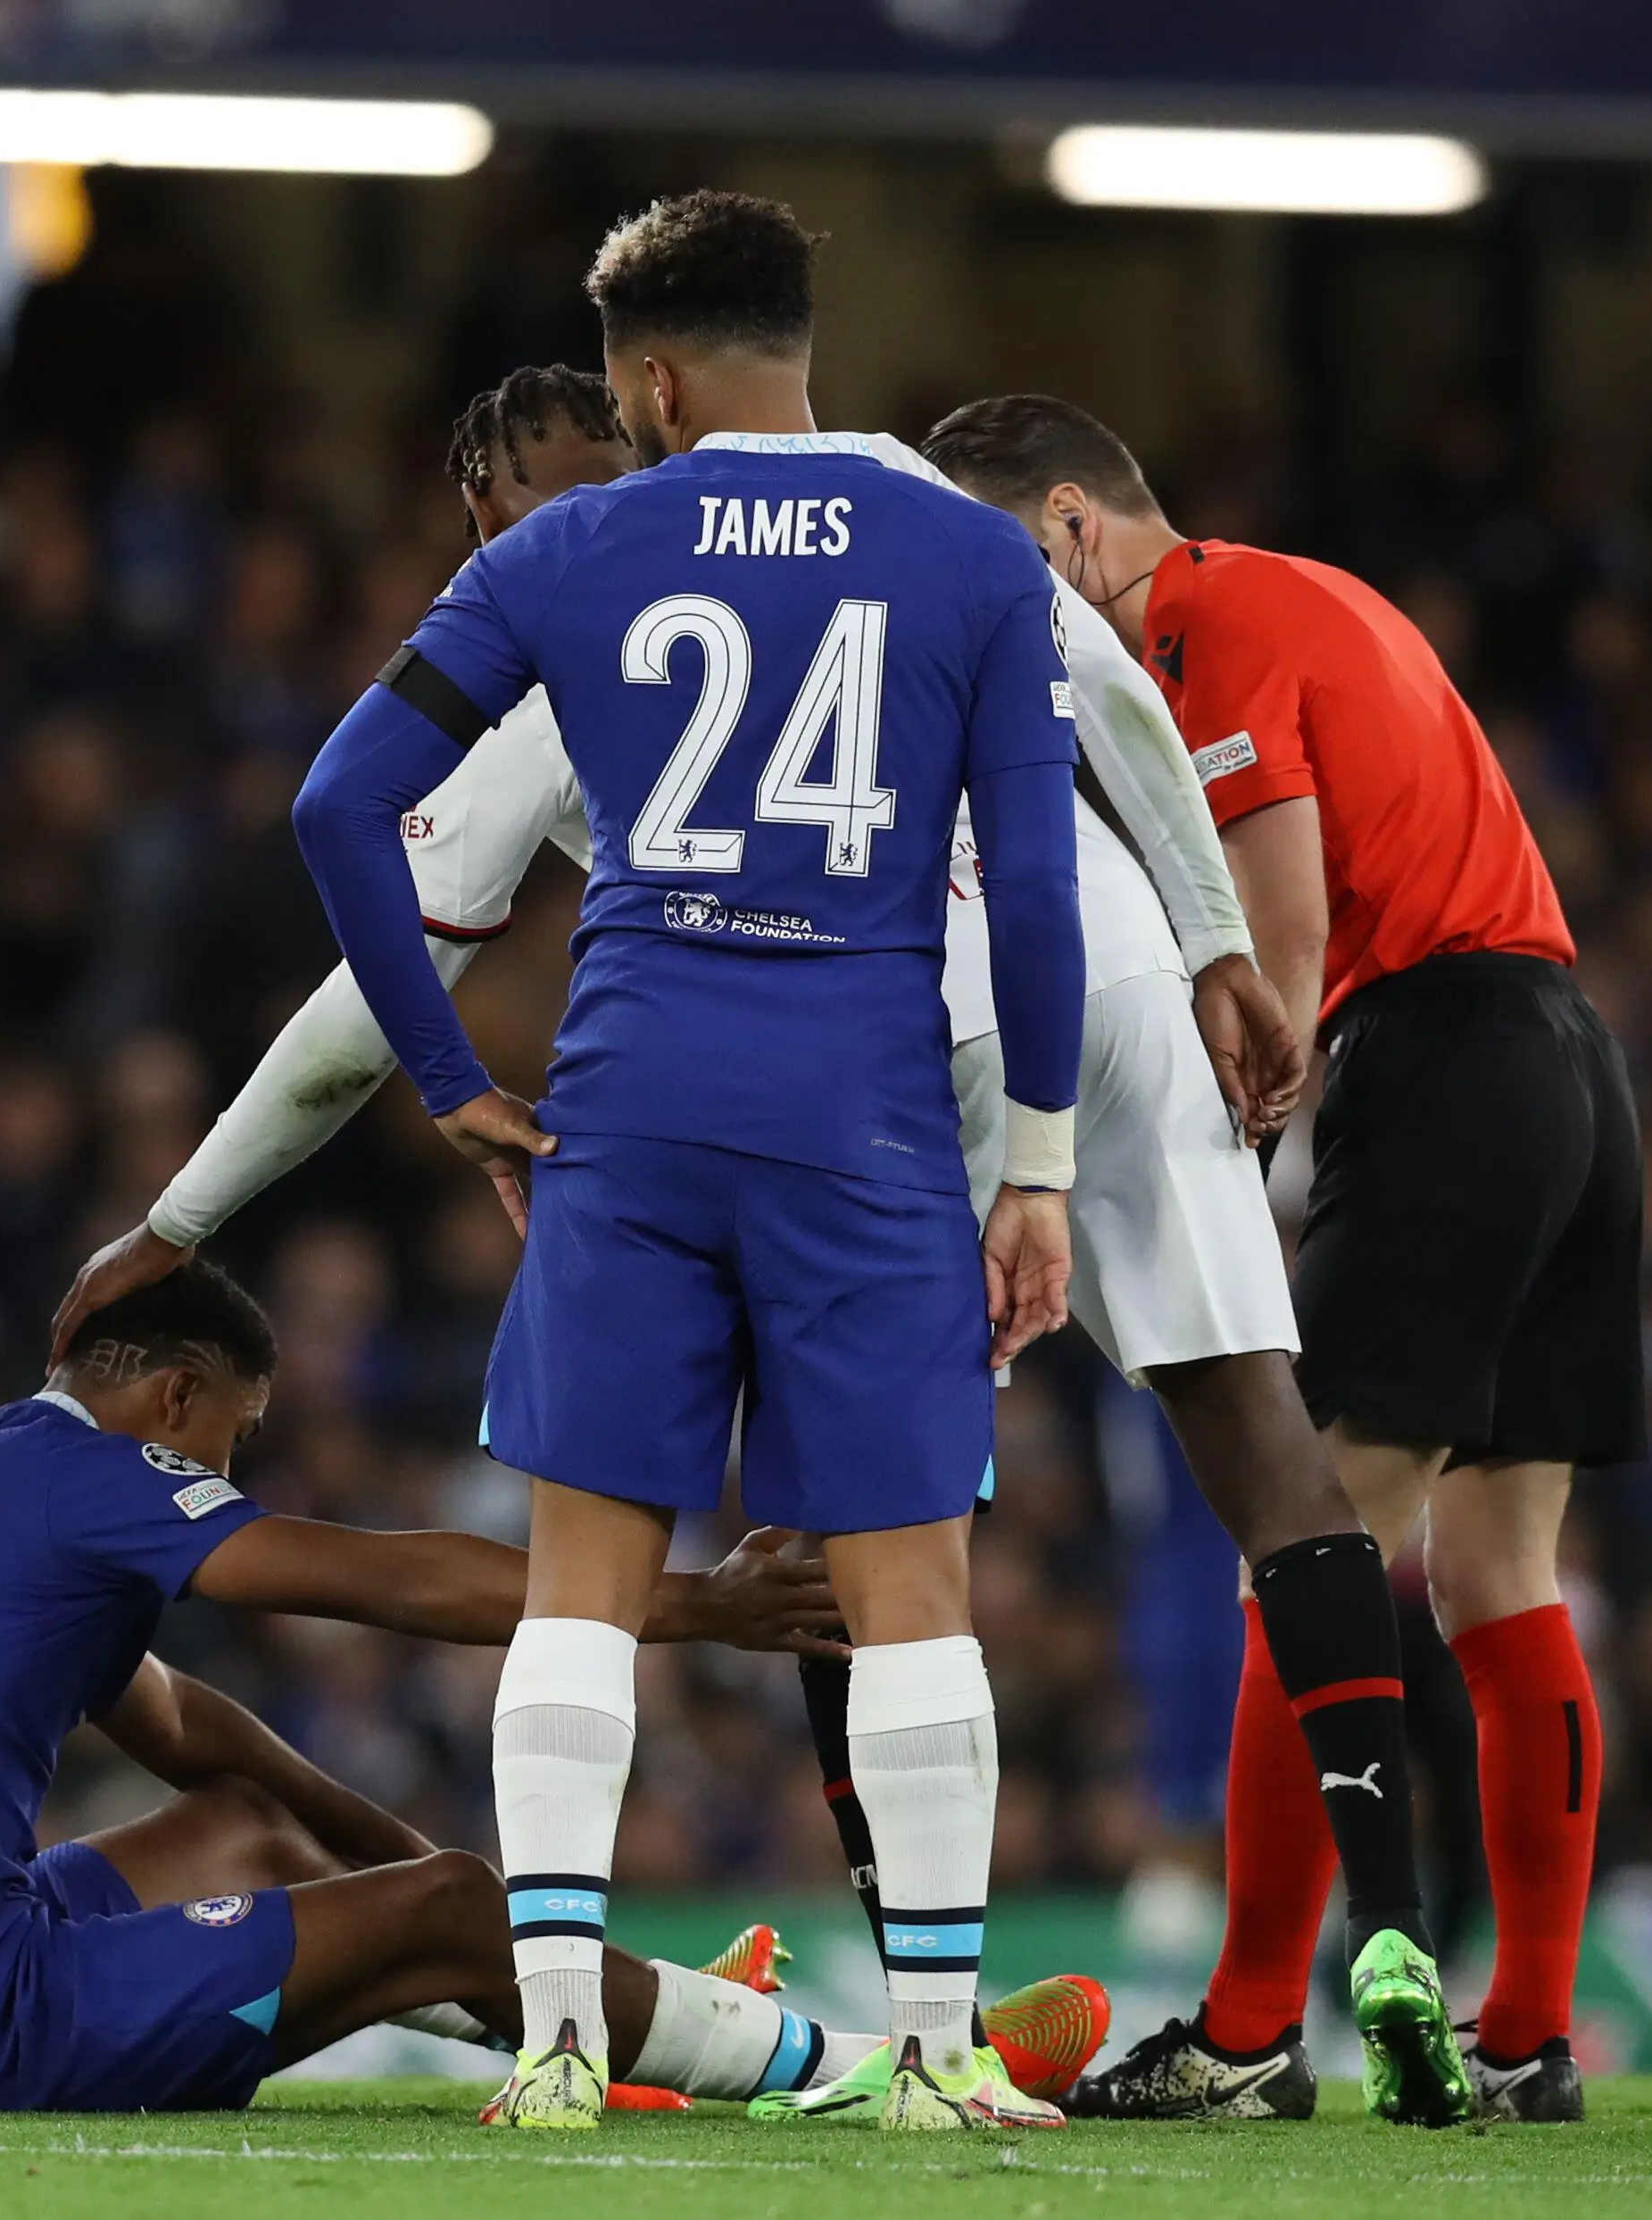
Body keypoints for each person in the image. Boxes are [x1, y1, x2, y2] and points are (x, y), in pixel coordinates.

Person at [60, 365, 1466, 2125]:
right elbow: (1105, 686)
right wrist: (1210, 947)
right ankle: (1376, 1938)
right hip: (1105, 962)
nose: (510, 536)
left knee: (854, 1532)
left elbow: (359, 993)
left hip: (897, 1041)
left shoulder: (584, 628)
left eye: (511, 503)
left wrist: (180, 1215)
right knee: (1272, 1454)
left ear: (610, 451)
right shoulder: (905, 518)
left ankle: (908, 1999)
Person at [290, 190, 1089, 2133]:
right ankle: (928, 2056)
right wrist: (1041, 1165)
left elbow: (342, 803)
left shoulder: (576, 543)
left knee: (584, 1583)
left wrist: (444, 1076)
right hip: (867, 1114)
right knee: (909, 1589)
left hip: (633, 1100)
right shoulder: (969, 562)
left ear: (645, 376)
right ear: (797, 345)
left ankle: (559, 2041)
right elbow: (1043, 897)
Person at [920, 395, 1645, 2125]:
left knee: (1305, 1540)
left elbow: (1285, 927)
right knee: (1502, 1571)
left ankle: (1250, 2027)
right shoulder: (1313, 590)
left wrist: (1202, 1154)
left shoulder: (1205, 629)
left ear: (1075, 526)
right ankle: (1530, 2028)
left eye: (1003, 569)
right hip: (1566, 1059)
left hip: (1442, 1063)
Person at [0, 1257, 925, 2114]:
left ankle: (579, 2003)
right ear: (173, 1400)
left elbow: (191, 1729)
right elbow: (379, 1577)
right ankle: (841, 2062)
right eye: (235, 1434)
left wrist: (432, 1885)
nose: (224, 1465)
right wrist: (696, 1606)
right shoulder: (99, 1478)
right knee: (452, 1903)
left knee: (261, 1837)